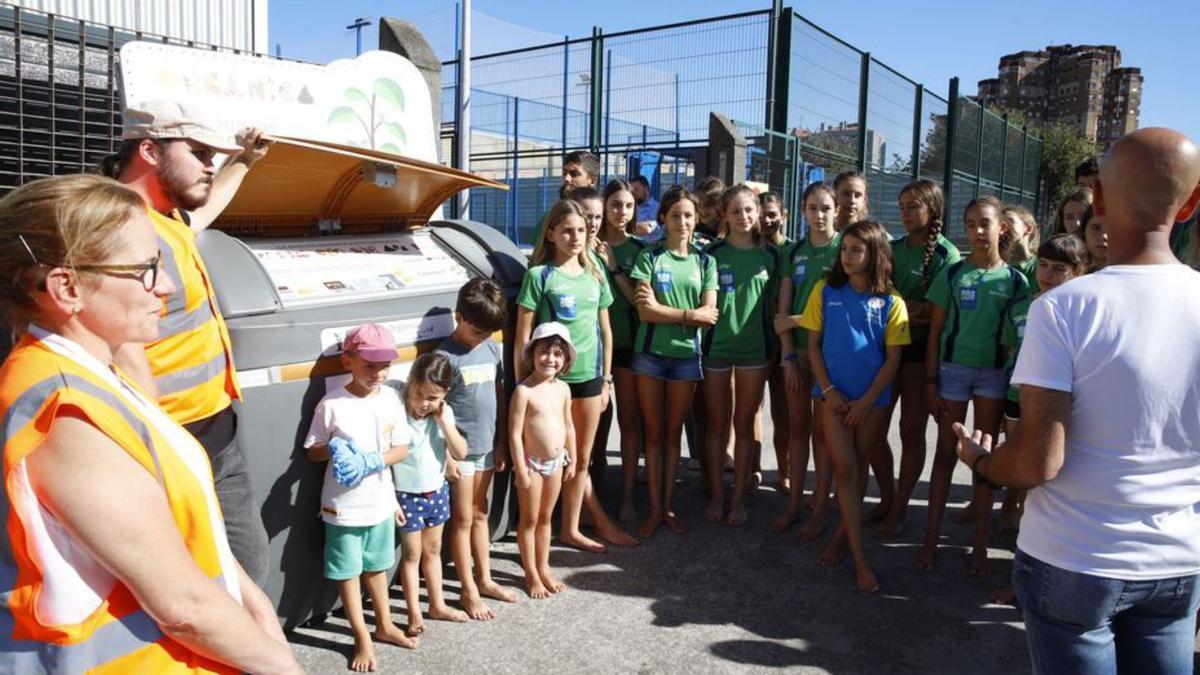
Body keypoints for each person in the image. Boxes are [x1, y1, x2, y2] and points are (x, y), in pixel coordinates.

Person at [0, 174, 298, 673]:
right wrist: (284, 665)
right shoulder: (66, 412)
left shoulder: (91, 372)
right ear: (67, 287)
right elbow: (183, 608)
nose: (164, 286)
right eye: (145, 269)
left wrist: (250, 598)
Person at [954, 128, 1200, 673]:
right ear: (1192, 202)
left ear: (1102, 201)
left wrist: (981, 461)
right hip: (1180, 563)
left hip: (1074, 558)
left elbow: (1039, 461)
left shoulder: (1065, 307)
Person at [103, 100, 273, 586]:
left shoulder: (167, 217)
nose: (208, 167)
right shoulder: (115, 229)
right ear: (150, 151)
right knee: (197, 585)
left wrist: (243, 161)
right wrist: (160, 447)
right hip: (168, 439)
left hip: (216, 431)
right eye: (199, 153)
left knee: (245, 573)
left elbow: (204, 210)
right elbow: (120, 344)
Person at [515, 200, 637, 551]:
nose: (575, 237)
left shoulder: (596, 269)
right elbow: (524, 336)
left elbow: (605, 331)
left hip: (589, 380)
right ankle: (541, 528)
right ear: (550, 233)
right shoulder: (540, 276)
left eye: (581, 230)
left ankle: (571, 529)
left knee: (581, 459)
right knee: (554, 458)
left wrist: (606, 379)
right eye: (567, 230)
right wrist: (526, 381)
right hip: (553, 384)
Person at [920, 195, 1029, 574]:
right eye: (970, 225)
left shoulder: (1017, 281)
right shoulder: (952, 273)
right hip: (952, 373)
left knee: (985, 462)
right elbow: (934, 332)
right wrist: (931, 379)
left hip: (994, 378)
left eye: (984, 223)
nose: (978, 231)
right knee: (945, 456)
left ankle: (979, 547)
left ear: (1001, 227)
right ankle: (930, 541)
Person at [801, 220, 909, 592]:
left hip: (871, 402)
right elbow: (813, 346)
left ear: (874, 253)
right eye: (844, 249)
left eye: (856, 250)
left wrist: (864, 403)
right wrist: (828, 390)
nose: (847, 256)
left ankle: (841, 539)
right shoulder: (824, 290)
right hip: (832, 398)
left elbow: (892, 361)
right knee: (845, 471)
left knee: (859, 471)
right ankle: (861, 559)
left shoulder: (892, 301)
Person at [303, 323, 418, 669]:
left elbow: (402, 448)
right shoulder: (332, 403)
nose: (379, 373)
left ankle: (384, 625)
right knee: (347, 572)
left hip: (380, 504)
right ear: (347, 361)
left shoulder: (392, 399)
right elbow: (312, 451)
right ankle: (361, 636)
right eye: (369, 365)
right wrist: (333, 446)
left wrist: (372, 462)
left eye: (385, 366)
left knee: (378, 567)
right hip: (342, 509)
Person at [988, 233, 1088, 606]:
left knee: (1054, 500)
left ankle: (1047, 586)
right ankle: (1023, 582)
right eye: (1043, 265)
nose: (1047, 274)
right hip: (1020, 404)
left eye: (1059, 268)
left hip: (1062, 419)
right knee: (1033, 498)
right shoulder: (1027, 306)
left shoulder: (1081, 312)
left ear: (1079, 271)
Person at [873, 180, 960, 538]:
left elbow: (935, 313)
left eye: (914, 206)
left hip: (920, 355)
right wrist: (907, 309)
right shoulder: (891, 248)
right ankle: (887, 498)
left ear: (933, 210)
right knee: (874, 430)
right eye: (902, 206)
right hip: (884, 351)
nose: (906, 213)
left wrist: (900, 308)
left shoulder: (946, 255)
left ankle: (901, 506)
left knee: (911, 430)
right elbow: (877, 297)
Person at [629, 187, 719, 537]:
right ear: (663, 218)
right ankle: (653, 509)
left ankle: (667, 506)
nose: (682, 222)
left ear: (696, 220)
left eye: (688, 215)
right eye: (675, 215)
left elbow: (709, 315)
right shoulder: (649, 258)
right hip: (649, 357)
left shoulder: (705, 261)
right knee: (653, 435)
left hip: (685, 359)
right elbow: (644, 311)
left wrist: (674, 313)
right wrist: (687, 313)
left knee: (671, 435)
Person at [436, 279, 518, 622]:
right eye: (477, 330)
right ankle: (467, 589)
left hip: (487, 447)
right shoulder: (444, 357)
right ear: (459, 317)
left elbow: (498, 394)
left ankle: (484, 578)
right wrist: (447, 457)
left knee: (480, 514)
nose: (482, 336)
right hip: (460, 454)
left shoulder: (489, 348)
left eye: (489, 332)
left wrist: (500, 442)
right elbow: (435, 411)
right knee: (463, 518)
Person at [702, 184, 778, 527]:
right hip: (717, 348)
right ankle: (717, 495)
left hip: (754, 351)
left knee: (744, 425)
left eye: (749, 210)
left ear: (758, 212)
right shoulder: (712, 254)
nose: (743, 217)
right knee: (717, 426)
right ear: (725, 215)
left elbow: (778, 305)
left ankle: (737, 499)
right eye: (736, 211)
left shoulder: (771, 255)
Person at [771, 183, 841, 539]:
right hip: (797, 355)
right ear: (802, 212)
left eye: (826, 208)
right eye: (812, 208)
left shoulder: (846, 249)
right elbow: (781, 314)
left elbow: (839, 312)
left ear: (837, 211)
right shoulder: (794, 252)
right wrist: (787, 355)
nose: (819, 215)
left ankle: (821, 504)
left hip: (831, 359)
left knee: (824, 433)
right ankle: (794, 503)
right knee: (798, 428)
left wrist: (797, 321)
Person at [391, 353, 470, 636]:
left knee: (433, 550)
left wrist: (444, 422)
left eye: (433, 398)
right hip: (407, 494)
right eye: (420, 395)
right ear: (410, 384)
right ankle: (414, 613)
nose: (424, 403)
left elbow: (461, 452)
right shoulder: (397, 410)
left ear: (444, 395)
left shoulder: (441, 414)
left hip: (436, 490)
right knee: (412, 555)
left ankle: (437, 604)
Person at [509, 322, 578, 598]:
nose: (550, 358)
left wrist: (571, 459)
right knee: (529, 519)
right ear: (532, 355)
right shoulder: (524, 391)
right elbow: (514, 435)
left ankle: (544, 566)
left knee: (547, 517)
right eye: (544, 352)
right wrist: (521, 470)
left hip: (556, 462)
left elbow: (569, 425)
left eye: (557, 354)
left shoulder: (563, 389)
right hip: (531, 463)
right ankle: (531, 574)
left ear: (565, 360)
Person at [592, 179, 647, 521]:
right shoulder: (587, 246)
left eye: (627, 206)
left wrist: (613, 266)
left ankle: (627, 496)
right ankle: (592, 493)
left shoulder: (639, 250)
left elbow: (639, 304)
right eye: (615, 205)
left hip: (628, 346)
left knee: (629, 422)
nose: (621, 212)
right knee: (595, 426)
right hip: (591, 349)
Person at [758, 191, 791, 493]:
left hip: (785, 344)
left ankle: (784, 471)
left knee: (784, 413)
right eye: (762, 213)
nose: (767, 220)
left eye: (772, 214)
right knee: (752, 410)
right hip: (755, 343)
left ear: (784, 215)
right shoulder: (751, 250)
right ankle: (751, 469)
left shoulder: (794, 252)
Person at [530, 150, 601, 247]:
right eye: (564, 173)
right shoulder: (552, 217)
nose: (566, 179)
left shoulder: (607, 216)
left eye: (574, 173)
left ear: (592, 180)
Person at [1000, 204, 1040, 290]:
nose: (1004, 227)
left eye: (1010, 221)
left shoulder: (1040, 266)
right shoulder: (995, 266)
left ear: (1028, 229)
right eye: (1001, 224)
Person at [1075, 206, 1109, 272]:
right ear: (1084, 230)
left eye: (1111, 229)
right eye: (1096, 228)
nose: (1104, 236)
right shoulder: (1067, 272)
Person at [630, 174, 662, 243]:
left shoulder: (658, 208)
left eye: (636, 189)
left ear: (646, 188)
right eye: (632, 191)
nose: (634, 193)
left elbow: (647, 228)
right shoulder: (631, 209)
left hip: (653, 249)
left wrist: (630, 228)